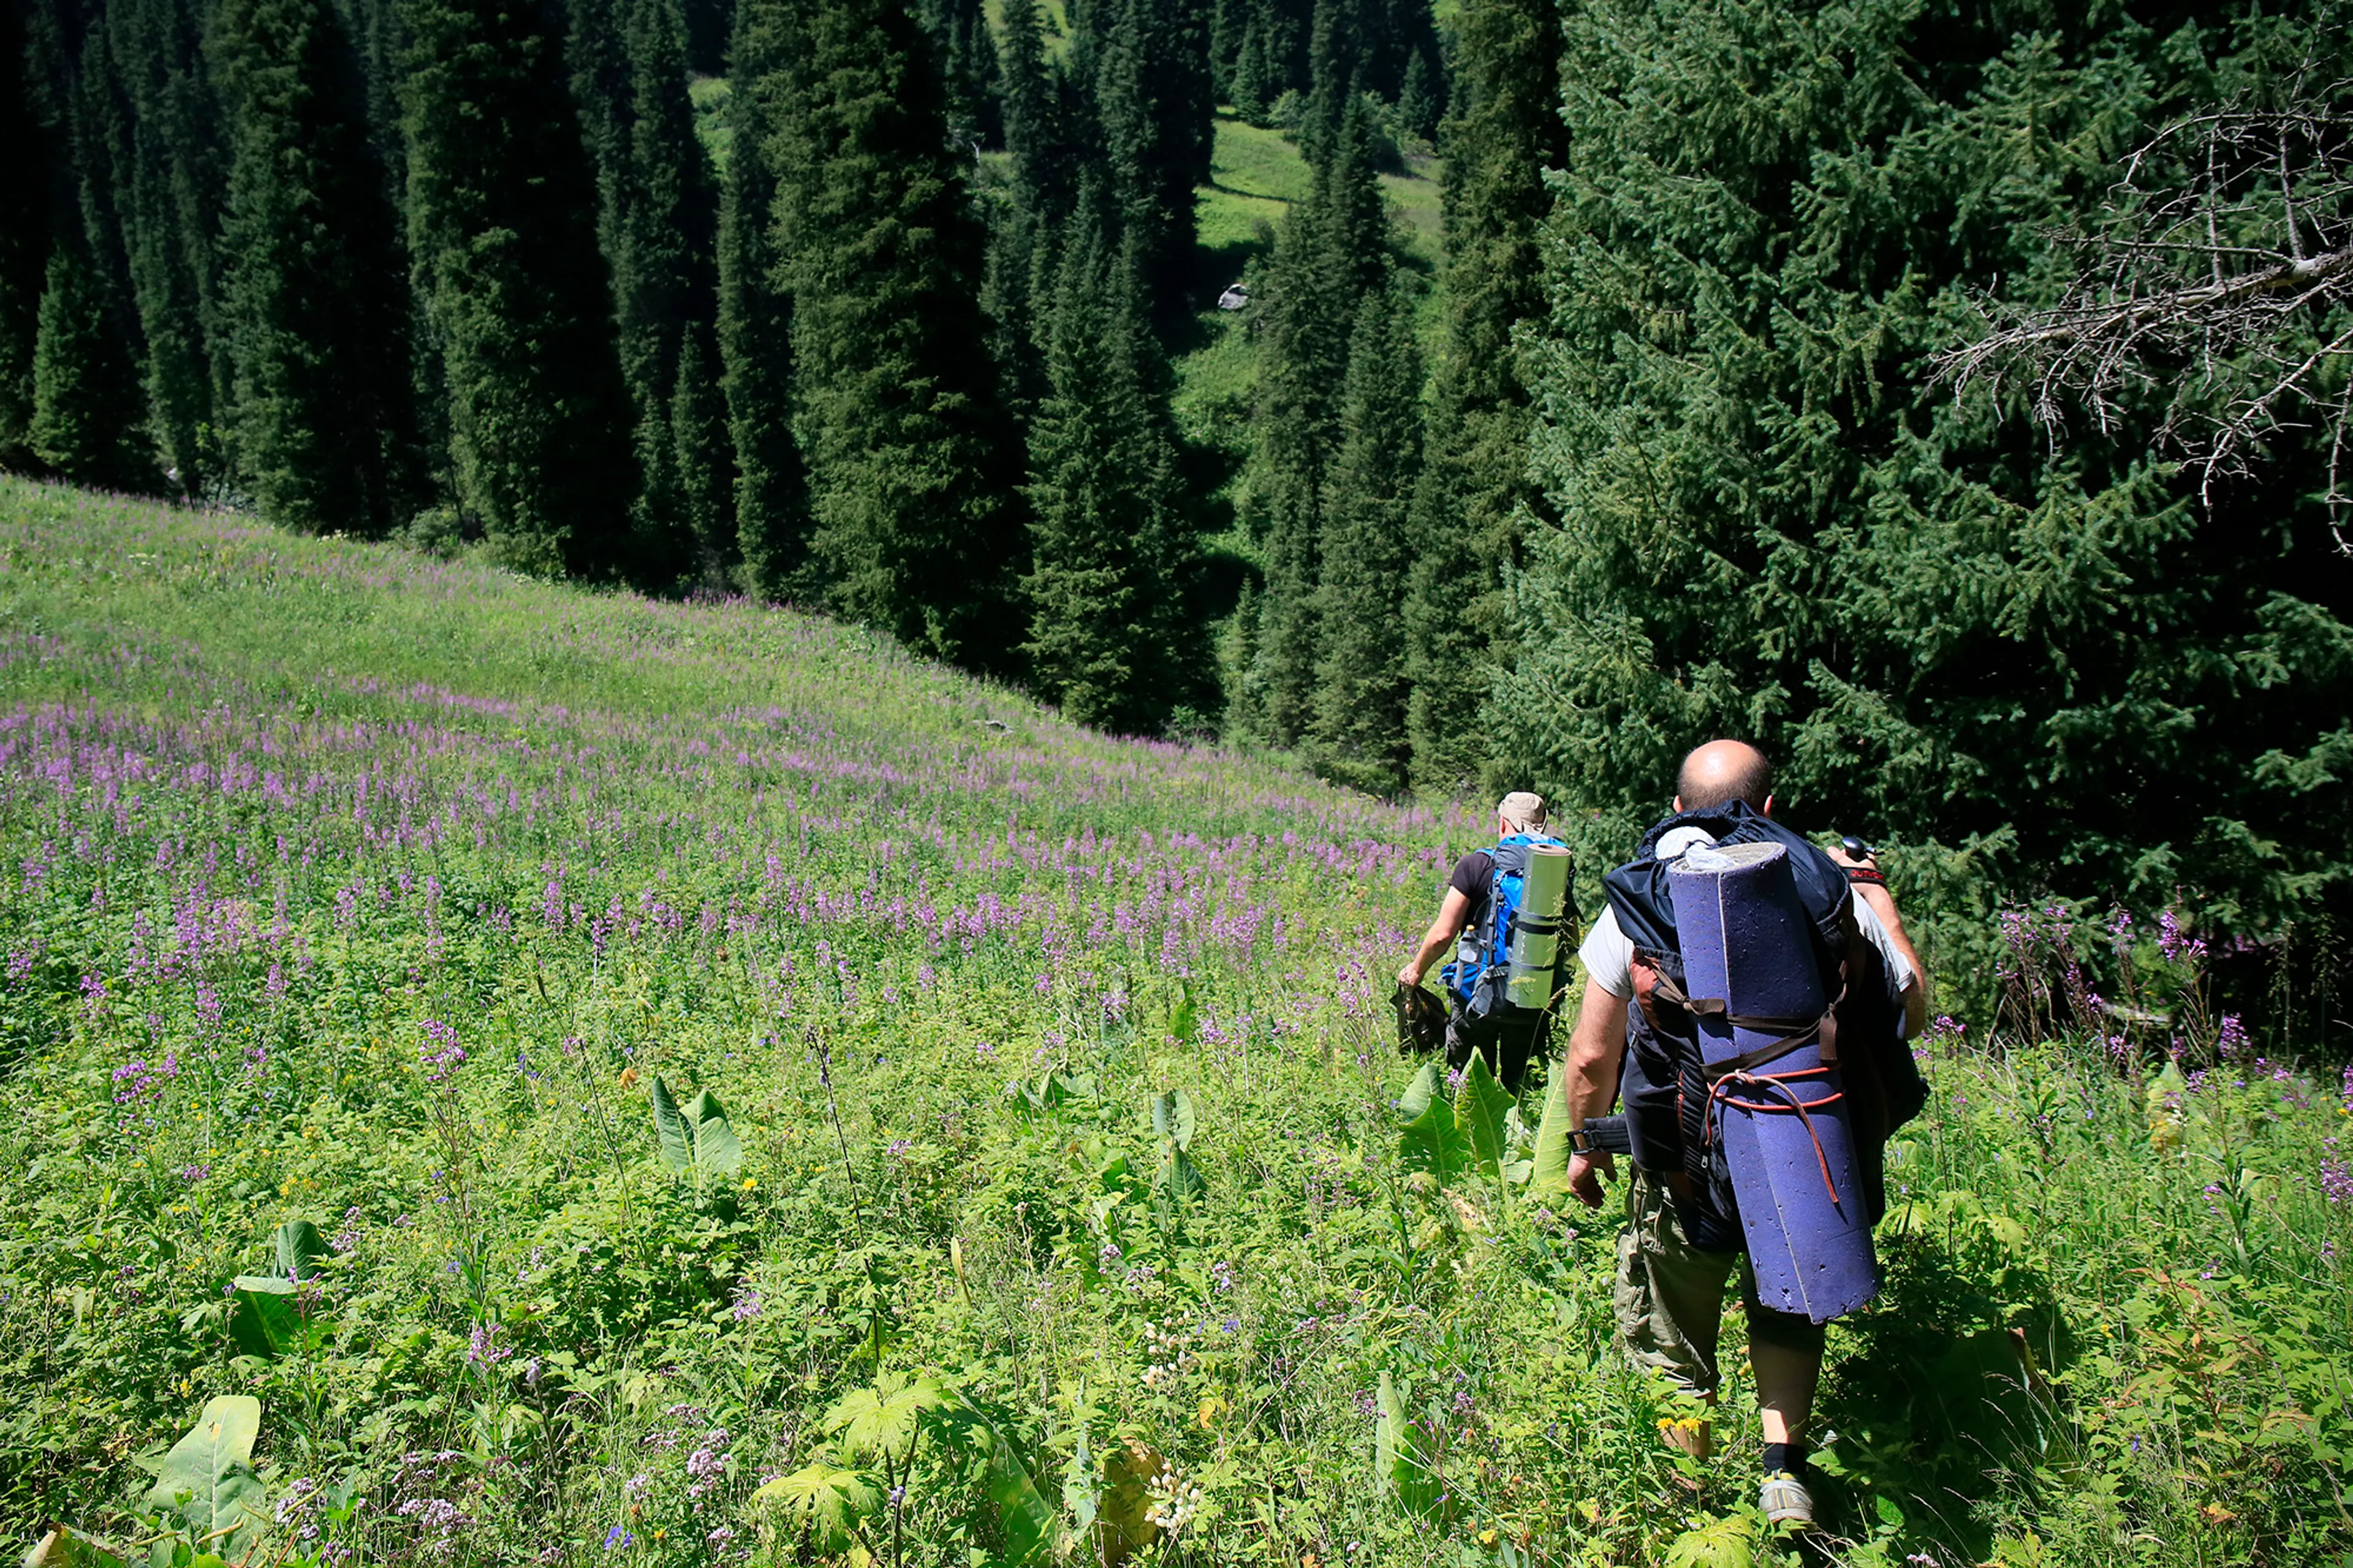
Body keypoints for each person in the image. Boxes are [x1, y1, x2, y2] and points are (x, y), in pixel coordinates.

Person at [1558, 740, 1927, 1529]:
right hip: (1799, 1145)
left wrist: (1584, 1148)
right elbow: (1912, 1011)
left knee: (1670, 1326)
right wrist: (1881, 901)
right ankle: (1783, 1474)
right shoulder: (1826, 889)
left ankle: (1689, 1502)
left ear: (1676, 806)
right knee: (1785, 1305)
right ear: (1767, 807)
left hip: (1684, 1162)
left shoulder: (1639, 903)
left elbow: (1591, 1055)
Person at [1396, 791, 1567, 1090]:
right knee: (1521, 1086)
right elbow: (1569, 935)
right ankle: (1520, 1119)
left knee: (1473, 1088)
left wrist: (1416, 970)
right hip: (1533, 996)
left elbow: (1443, 934)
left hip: (1475, 996)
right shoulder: (1557, 869)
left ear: (1503, 822)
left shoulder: (1477, 865)